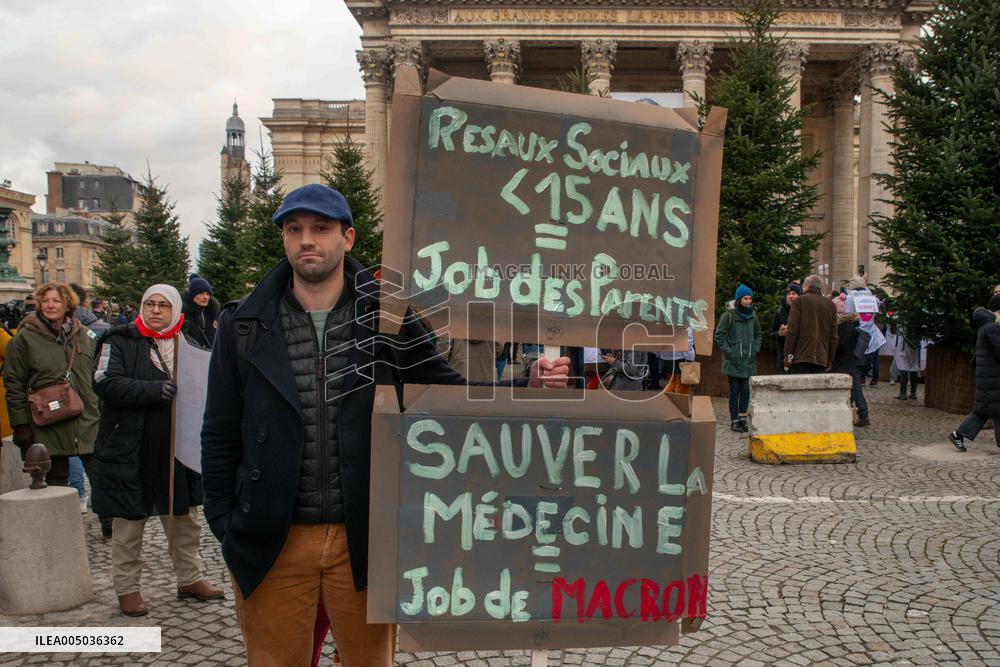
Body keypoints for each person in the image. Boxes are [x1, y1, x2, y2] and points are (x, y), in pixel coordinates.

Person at [200, 184, 570, 666]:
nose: (306, 240)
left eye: (320, 228)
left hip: (365, 538)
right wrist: (226, 524)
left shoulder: (387, 318)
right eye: (294, 230)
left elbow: (449, 394)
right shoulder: (243, 324)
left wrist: (527, 383)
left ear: (348, 237)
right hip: (273, 538)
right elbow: (219, 431)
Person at [92, 284, 224, 617]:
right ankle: (127, 588)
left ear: (175, 309)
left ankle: (190, 578)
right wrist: (153, 389)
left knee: (184, 519)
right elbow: (105, 382)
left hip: (177, 447)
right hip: (130, 448)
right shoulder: (118, 340)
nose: (155, 310)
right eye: (149, 304)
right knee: (129, 524)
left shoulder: (189, 342)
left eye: (163, 305)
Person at [3, 283, 100, 488]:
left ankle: (108, 522)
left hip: (87, 420)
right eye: (45, 301)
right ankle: (62, 521)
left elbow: (96, 375)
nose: (50, 305)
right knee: (56, 482)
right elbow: (14, 383)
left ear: (68, 305)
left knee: (102, 480)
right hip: (47, 422)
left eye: (56, 301)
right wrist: (20, 424)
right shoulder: (24, 338)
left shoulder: (84, 335)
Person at [949, 295, 1000, 452]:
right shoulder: (992, 327)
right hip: (991, 377)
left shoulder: (986, 326)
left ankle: (958, 434)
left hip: (989, 376)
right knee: (989, 410)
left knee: (985, 410)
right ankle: (958, 434)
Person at [714, 284, 762, 432]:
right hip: (733, 361)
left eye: (749, 298)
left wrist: (755, 349)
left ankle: (742, 417)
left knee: (745, 390)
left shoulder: (753, 315)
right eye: (745, 298)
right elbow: (719, 336)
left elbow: (758, 334)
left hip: (748, 359)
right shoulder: (729, 315)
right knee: (734, 390)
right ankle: (734, 419)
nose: (748, 301)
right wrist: (731, 352)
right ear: (738, 299)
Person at [784, 275, 838, 374]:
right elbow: (833, 336)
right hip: (821, 357)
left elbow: (792, 331)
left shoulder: (799, 301)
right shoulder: (831, 305)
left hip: (800, 357)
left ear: (807, 286)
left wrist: (787, 355)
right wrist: (830, 358)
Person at [831, 312, 871, 427]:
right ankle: (863, 415)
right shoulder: (853, 327)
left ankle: (846, 414)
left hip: (842, 362)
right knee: (855, 388)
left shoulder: (844, 328)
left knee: (850, 389)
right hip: (852, 362)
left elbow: (841, 345)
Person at [182, 274, 221, 349]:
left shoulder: (214, 314)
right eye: (201, 293)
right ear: (192, 295)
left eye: (207, 294)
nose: (205, 297)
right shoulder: (183, 314)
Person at [768, 283, 801, 372]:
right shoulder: (779, 312)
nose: (791, 296)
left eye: (794, 294)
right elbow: (770, 334)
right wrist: (779, 334)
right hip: (783, 357)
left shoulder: (803, 312)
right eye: (788, 294)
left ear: (799, 296)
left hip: (800, 356)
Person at [661, 327, 696, 394]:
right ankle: (679, 402)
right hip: (683, 357)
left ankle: (668, 400)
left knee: (672, 382)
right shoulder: (686, 324)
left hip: (668, 356)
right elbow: (689, 342)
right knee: (683, 384)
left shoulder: (666, 323)